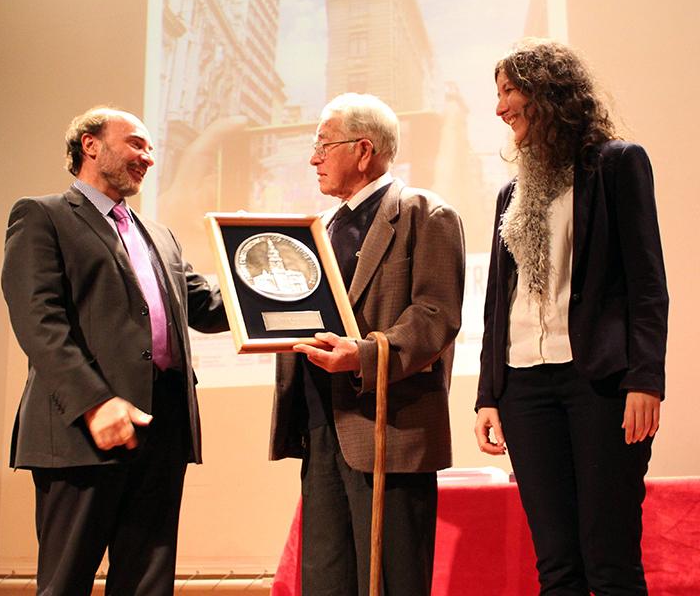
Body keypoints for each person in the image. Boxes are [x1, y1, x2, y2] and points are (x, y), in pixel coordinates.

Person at [1, 106, 227, 595]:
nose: (148, 157)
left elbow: (206, 306)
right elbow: (39, 322)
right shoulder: (42, 216)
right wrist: (94, 403)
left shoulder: (159, 234)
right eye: (136, 144)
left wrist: (272, 288)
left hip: (162, 426)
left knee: (148, 583)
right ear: (90, 144)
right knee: (66, 582)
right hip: (82, 428)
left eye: (151, 148)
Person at [474, 39, 668, 594]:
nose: (499, 107)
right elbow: (497, 302)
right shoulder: (510, 193)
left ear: (547, 91)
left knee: (610, 563)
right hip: (524, 388)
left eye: (509, 91)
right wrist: (488, 394)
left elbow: (647, 284)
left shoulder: (616, 164)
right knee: (557, 567)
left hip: (599, 383)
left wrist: (645, 379)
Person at [269, 92, 466, 595]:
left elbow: (436, 315)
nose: (313, 158)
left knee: (392, 580)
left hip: (389, 428)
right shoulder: (318, 229)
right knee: (325, 580)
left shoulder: (426, 213)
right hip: (320, 426)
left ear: (362, 151)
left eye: (323, 145)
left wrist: (366, 355)